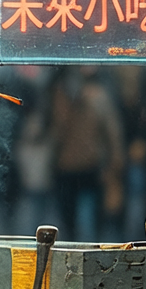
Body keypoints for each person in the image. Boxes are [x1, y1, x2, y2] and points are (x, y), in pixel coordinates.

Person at [50, 67, 124, 242]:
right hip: (68, 167)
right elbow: (55, 131)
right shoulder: (60, 97)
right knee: (71, 225)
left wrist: (114, 163)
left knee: (92, 225)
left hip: (89, 166)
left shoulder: (96, 97)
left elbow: (111, 132)